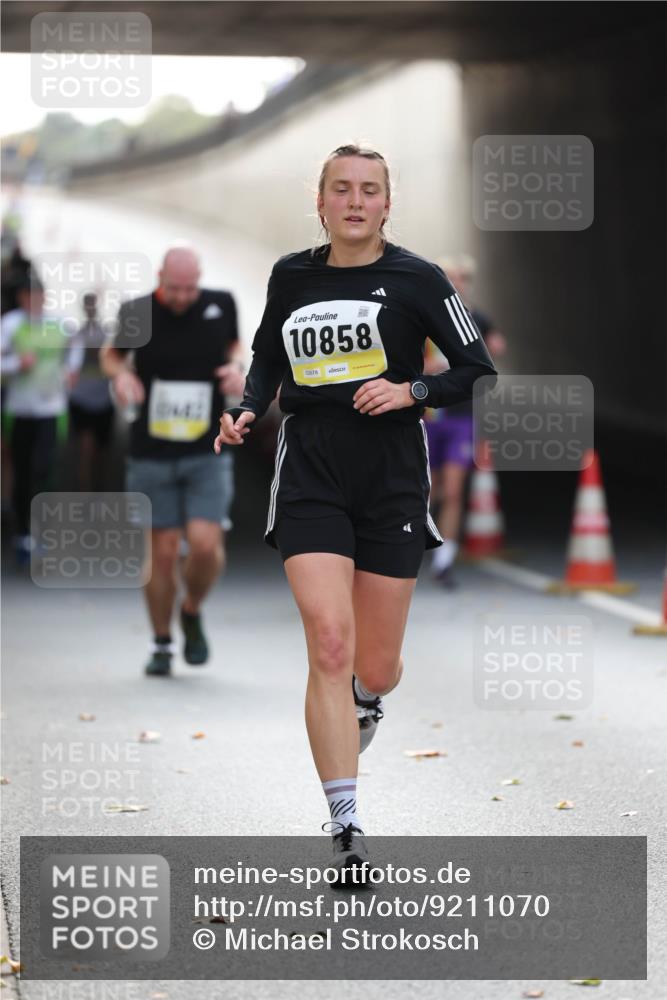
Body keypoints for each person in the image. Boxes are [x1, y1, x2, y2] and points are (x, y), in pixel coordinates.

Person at [214, 144, 498, 879]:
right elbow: (270, 357)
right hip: (309, 468)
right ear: (321, 201)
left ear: (385, 204)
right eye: (340, 188)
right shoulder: (293, 275)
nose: (354, 200)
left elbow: (476, 371)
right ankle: (345, 826)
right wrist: (246, 410)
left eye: (368, 189)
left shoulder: (418, 279)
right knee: (329, 646)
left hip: (392, 477)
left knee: (374, 664)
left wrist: (415, 393)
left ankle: (368, 701)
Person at [101, 246, 244, 676]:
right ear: (159, 276)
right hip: (152, 450)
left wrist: (238, 365)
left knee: (205, 544)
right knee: (161, 553)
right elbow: (110, 354)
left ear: (198, 279)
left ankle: (192, 606)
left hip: (207, 447)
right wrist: (121, 373)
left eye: (189, 288)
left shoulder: (221, 304)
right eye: (173, 288)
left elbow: (235, 344)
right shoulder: (137, 311)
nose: (182, 297)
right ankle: (161, 642)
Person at [423, 255, 507, 586]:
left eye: (459, 278)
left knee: (455, 490)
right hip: (428, 415)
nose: (454, 283)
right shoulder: (423, 316)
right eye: (447, 277)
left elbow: (497, 346)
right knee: (428, 490)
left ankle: (444, 560)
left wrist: (478, 351)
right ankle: (408, 540)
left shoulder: (474, 318)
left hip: (461, 415)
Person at [1, 277, 83, 561]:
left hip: (52, 410)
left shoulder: (59, 323)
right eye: (30, 296)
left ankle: (39, 529)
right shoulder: (12, 324)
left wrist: (71, 370)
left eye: (40, 296)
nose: (35, 302)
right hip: (19, 410)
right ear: (22, 298)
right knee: (22, 471)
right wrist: (15, 364)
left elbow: (76, 346)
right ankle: (22, 531)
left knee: (43, 468)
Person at [67, 293, 115, 492]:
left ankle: (95, 490)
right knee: (88, 451)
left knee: (99, 453)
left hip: (101, 400)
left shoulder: (100, 333)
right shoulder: (81, 334)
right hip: (85, 399)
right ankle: (88, 493)